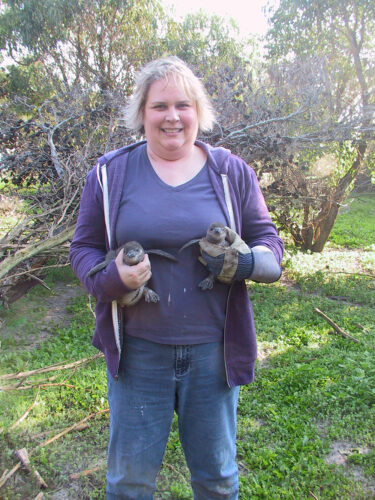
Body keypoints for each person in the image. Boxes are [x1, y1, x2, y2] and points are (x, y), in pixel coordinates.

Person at [69, 56, 284, 500]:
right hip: (137, 355)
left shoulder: (230, 173)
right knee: (128, 485)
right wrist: (114, 278)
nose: (172, 116)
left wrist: (245, 265)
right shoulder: (111, 174)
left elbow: (270, 245)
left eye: (183, 105)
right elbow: (82, 250)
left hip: (213, 354)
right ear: (142, 114)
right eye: (159, 105)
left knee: (218, 481)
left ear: (198, 112)